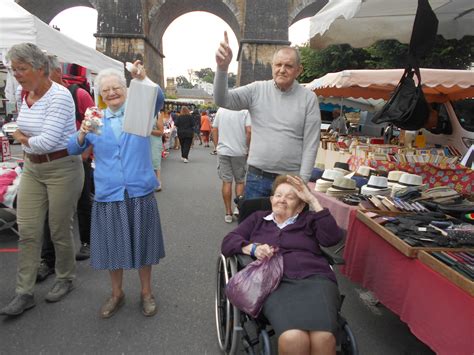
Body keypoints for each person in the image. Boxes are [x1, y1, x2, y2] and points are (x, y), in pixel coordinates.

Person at [67, 61, 166, 318]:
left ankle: (146, 293)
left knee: (143, 246)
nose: (111, 93)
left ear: (125, 89)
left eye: (116, 88)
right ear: (100, 94)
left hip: (138, 190)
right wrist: (81, 134)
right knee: (113, 249)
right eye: (106, 90)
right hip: (109, 191)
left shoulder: (139, 112)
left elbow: (158, 98)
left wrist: (143, 78)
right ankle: (117, 293)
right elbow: (73, 148)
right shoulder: (95, 118)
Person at [0, 43, 84, 316]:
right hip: (33, 169)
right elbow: (23, 129)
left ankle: (65, 278)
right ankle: (24, 292)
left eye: (21, 69)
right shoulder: (26, 96)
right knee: (28, 230)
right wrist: (24, 138)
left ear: (39, 68)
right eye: (14, 70)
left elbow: (47, 141)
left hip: (62, 167)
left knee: (59, 227)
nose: (17, 75)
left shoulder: (59, 96)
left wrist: (23, 139)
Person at [221, 175, 343, 355]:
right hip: (274, 284)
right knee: (293, 338)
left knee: (323, 338)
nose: (282, 200)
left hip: (317, 281)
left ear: (301, 205)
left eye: (290, 197)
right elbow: (228, 242)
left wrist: (313, 201)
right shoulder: (258, 219)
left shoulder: (309, 220)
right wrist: (252, 248)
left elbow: (332, 238)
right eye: (278, 195)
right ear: (271, 200)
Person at [214, 32, 321, 198]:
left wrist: (303, 183)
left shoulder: (309, 98)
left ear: (299, 70)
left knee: (288, 225)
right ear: (272, 66)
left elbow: (311, 144)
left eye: (288, 66)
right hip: (257, 178)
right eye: (278, 65)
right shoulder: (257, 90)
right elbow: (222, 100)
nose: (282, 70)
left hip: (290, 181)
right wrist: (222, 69)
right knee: (253, 224)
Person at [36, 55, 96, 283]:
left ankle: (87, 241)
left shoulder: (79, 94)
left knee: (82, 201)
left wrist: (86, 152)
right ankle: (47, 260)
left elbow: (95, 122)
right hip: (47, 161)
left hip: (75, 157)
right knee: (49, 213)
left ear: (57, 73)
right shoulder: (35, 95)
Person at [212, 108, 251, 223]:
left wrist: (216, 146)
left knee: (226, 181)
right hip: (239, 151)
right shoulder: (245, 111)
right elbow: (249, 131)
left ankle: (228, 213)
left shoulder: (221, 110)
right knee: (240, 181)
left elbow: (214, 129)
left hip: (223, 151)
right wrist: (247, 148)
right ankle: (238, 209)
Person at [151, 111, 165, 191]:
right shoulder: (141, 113)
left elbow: (161, 132)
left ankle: (158, 182)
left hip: (154, 142)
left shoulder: (157, 114)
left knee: (155, 161)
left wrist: (148, 131)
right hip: (142, 142)